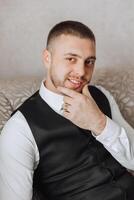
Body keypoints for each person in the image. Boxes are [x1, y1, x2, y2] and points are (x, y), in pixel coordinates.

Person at [0, 20, 134, 200]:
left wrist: (100, 123)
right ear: (47, 58)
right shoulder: (19, 130)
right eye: (71, 59)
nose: (81, 72)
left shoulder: (101, 95)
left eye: (89, 61)